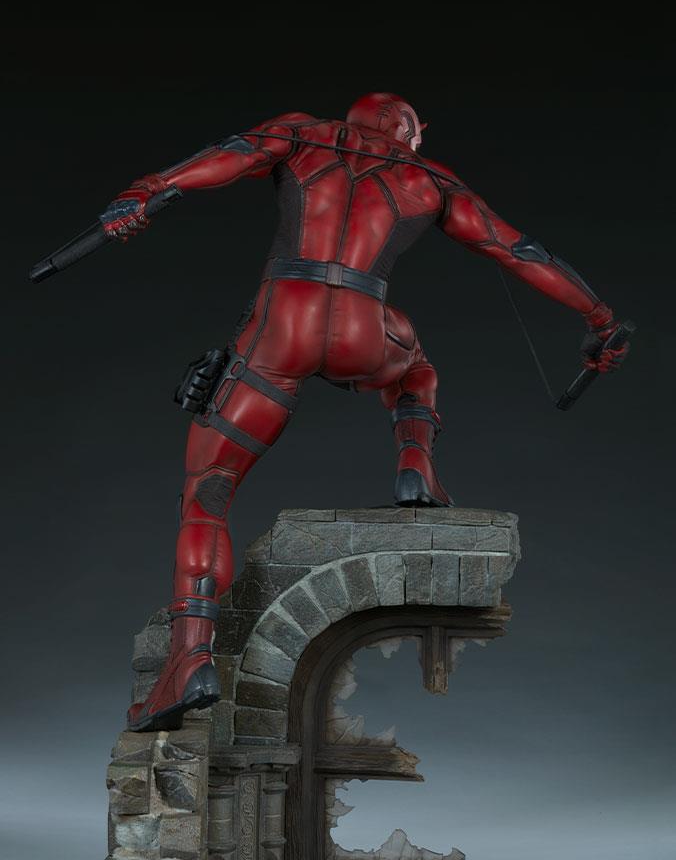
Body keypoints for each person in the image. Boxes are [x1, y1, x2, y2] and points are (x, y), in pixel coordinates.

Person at [99, 92, 628, 732]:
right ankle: (415, 466)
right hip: (362, 326)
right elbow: (517, 250)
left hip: (284, 323)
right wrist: (600, 318)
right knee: (416, 369)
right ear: (406, 128)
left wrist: (145, 192)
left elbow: (228, 158)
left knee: (207, 495)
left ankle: (190, 659)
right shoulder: (427, 176)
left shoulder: (302, 133)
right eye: (417, 130)